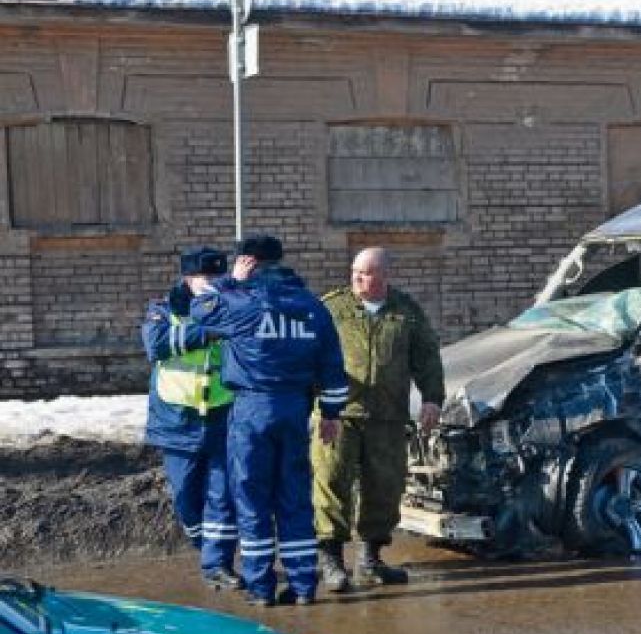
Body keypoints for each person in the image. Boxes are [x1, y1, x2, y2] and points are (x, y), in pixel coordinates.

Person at [189, 235, 348, 606]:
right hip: (296, 409)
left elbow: (200, 309)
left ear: (248, 262)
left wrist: (232, 281)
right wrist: (331, 413)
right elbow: (333, 366)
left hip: (252, 410)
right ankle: (303, 586)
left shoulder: (240, 301)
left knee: (252, 497)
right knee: (295, 498)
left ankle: (261, 587)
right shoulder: (312, 306)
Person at [312, 246, 445, 592]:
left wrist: (432, 398)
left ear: (385, 275)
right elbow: (310, 356)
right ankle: (331, 560)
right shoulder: (332, 308)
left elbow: (427, 356)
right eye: (355, 272)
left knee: (385, 487)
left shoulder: (406, 312)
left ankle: (371, 559)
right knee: (331, 482)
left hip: (387, 416)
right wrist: (315, 403)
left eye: (366, 273)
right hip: (339, 415)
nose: (357, 278)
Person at [141, 247, 242, 591]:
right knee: (186, 496)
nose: (210, 282)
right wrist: (208, 331)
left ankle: (218, 565)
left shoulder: (234, 307)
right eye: (203, 277)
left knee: (222, 496)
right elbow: (156, 344)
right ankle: (203, 544)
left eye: (216, 276)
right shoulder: (165, 308)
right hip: (177, 421)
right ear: (187, 278)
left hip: (223, 417)